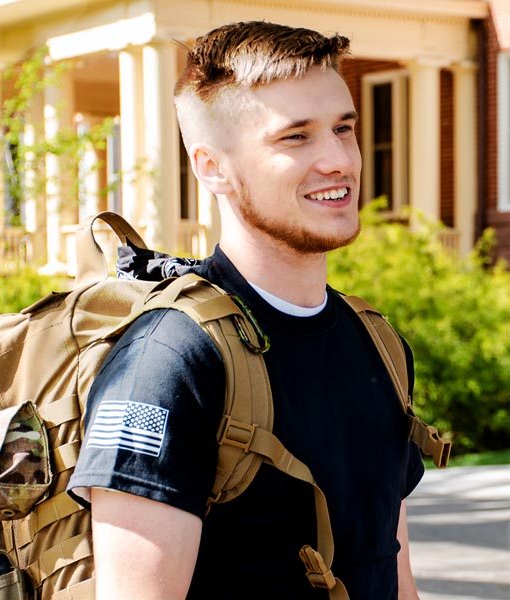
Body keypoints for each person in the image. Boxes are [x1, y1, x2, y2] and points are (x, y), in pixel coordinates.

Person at [68, 21, 424, 599]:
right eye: (296, 137)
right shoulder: (167, 361)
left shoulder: (377, 345)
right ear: (211, 166)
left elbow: (391, 570)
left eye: (343, 128)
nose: (339, 160)